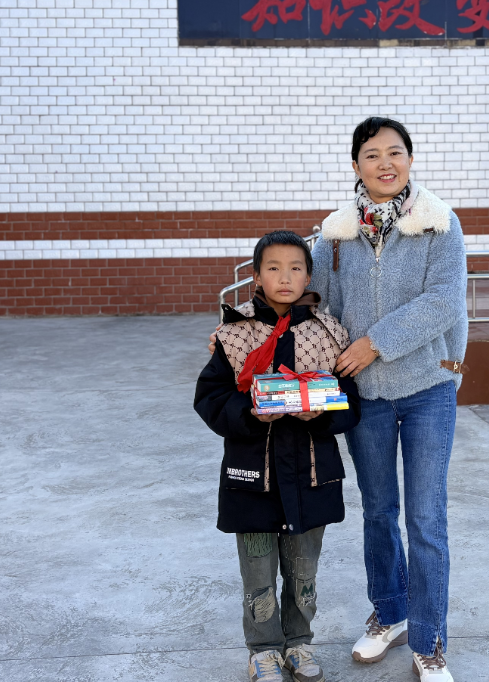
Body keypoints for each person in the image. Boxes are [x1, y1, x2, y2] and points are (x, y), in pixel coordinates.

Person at [309, 117, 468, 682]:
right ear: (356, 165)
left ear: (410, 160)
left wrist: (375, 343)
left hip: (428, 391)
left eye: (395, 152)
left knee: (426, 520)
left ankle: (429, 640)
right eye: (372, 154)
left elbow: (444, 301)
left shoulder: (440, 223)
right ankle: (391, 612)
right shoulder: (334, 235)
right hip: (367, 398)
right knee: (379, 513)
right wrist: (241, 329)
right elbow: (306, 301)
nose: (385, 163)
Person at [195, 230, 361, 682]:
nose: (284, 278)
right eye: (273, 268)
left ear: (309, 276)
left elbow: (350, 401)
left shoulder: (329, 334)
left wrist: (321, 415)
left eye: (295, 268)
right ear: (256, 276)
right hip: (254, 478)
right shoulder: (235, 334)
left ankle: (299, 644)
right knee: (259, 573)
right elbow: (209, 398)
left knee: (304, 571)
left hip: (311, 477)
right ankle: (263, 650)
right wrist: (249, 413)